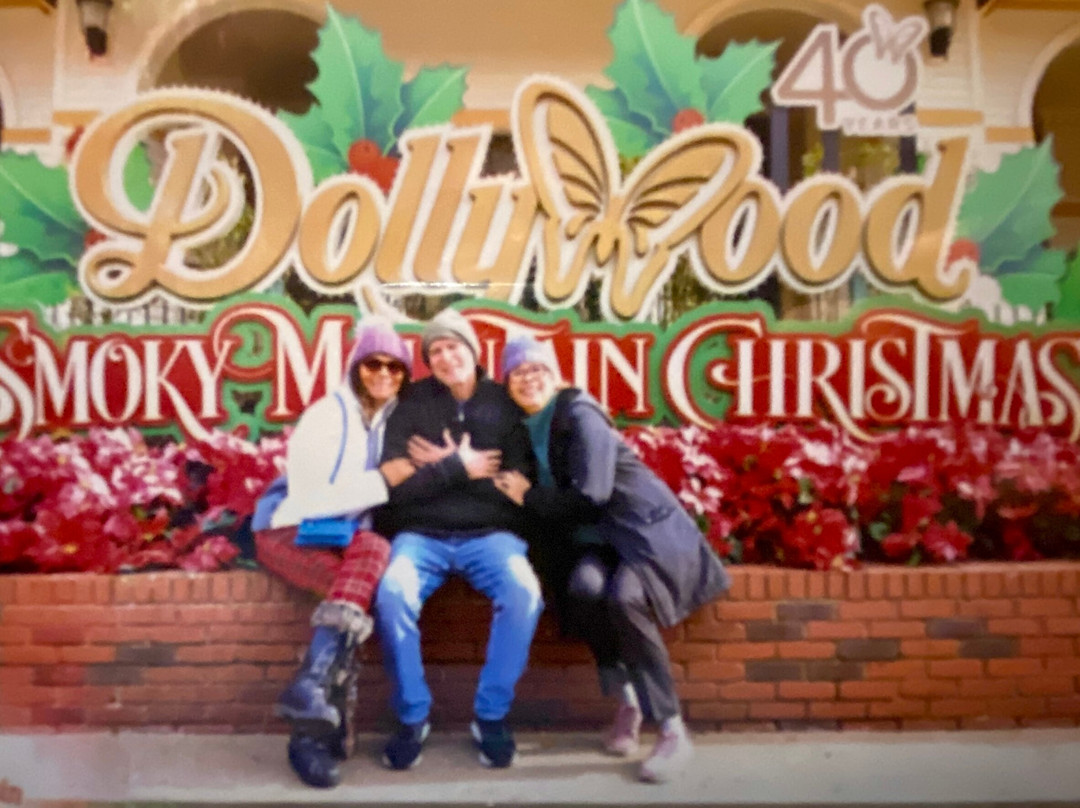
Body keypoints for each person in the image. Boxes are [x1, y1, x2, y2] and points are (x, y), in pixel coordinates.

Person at [494, 335, 730, 784]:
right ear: (507, 384)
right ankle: (627, 701)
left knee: (624, 599)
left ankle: (672, 729)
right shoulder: (525, 428)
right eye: (518, 372)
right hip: (597, 542)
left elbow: (593, 493)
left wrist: (530, 497)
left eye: (538, 369)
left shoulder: (580, 414)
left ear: (556, 376)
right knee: (583, 590)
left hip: (641, 533)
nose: (529, 379)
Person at [373, 307, 543, 771]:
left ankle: (491, 715)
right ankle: (412, 716)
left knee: (523, 593)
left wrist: (443, 467)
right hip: (420, 535)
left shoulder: (503, 402)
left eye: (454, 346)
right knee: (392, 594)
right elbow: (396, 490)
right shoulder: (411, 403)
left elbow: (518, 483)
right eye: (436, 351)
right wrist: (459, 467)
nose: (446, 358)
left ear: (473, 350)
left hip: (491, 534)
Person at [251, 318, 414, 789]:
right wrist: (383, 480)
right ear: (355, 367)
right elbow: (307, 498)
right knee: (356, 593)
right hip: (288, 529)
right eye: (373, 364)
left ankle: (310, 691)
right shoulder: (326, 415)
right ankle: (311, 735)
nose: (383, 374)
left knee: (366, 568)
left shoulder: (389, 421)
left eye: (395, 368)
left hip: (341, 539)